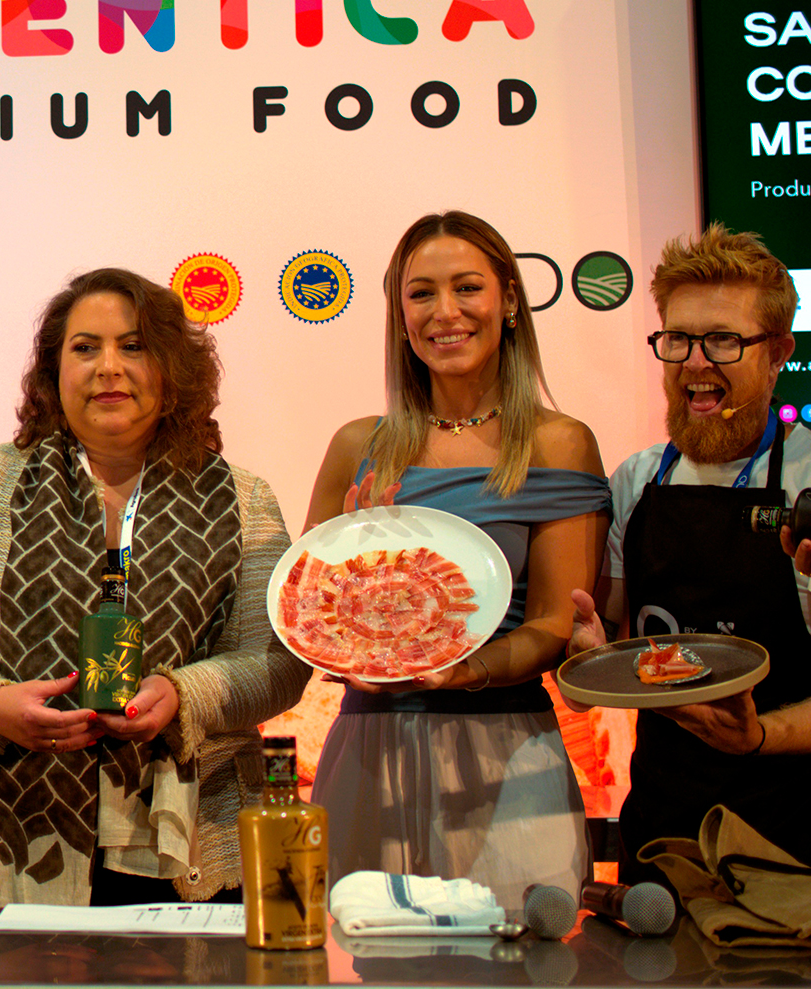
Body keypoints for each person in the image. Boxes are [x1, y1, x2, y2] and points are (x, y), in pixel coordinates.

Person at [0, 267, 308, 907]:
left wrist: (183, 695)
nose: (108, 367)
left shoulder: (244, 498)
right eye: (85, 347)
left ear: (173, 367)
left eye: (134, 346)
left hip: (189, 837)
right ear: (53, 371)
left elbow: (278, 658)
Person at [304, 210, 608, 908]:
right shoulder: (356, 446)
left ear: (509, 300)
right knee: (363, 949)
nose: (445, 312)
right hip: (367, 751)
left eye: (467, 287)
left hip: (506, 751)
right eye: (421, 293)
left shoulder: (560, 443)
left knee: (521, 952)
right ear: (399, 315)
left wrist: (465, 671)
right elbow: (312, 622)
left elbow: (554, 622)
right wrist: (352, 597)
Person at [570, 223, 811, 879]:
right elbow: (607, 651)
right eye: (677, 339)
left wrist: (760, 737)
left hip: (794, 847)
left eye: (724, 340)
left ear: (778, 351)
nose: (695, 362)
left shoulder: (807, 481)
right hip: (661, 843)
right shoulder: (636, 480)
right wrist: (586, 655)